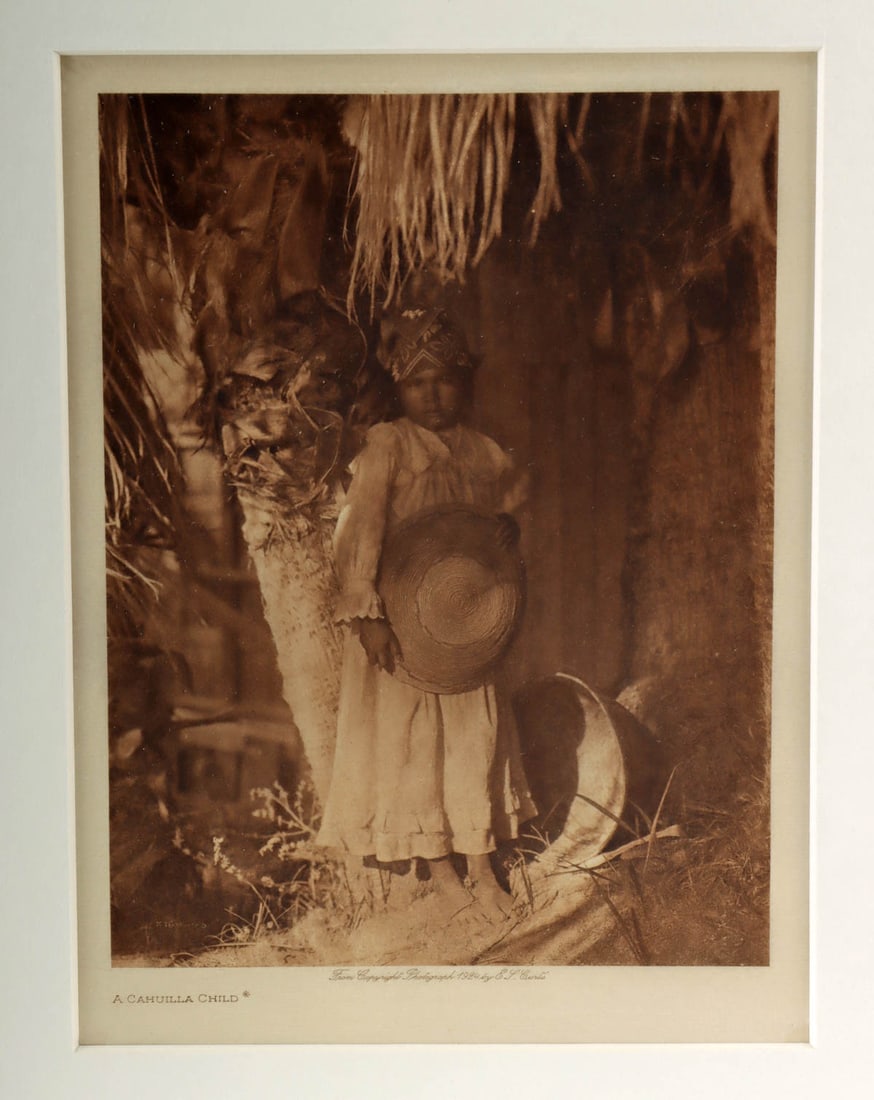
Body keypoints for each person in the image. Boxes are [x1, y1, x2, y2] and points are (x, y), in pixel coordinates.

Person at [316, 307, 536, 922]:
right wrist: (368, 615)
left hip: (462, 625)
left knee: (474, 738)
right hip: (404, 625)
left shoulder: (482, 452)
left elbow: (490, 527)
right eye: (417, 383)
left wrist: (506, 528)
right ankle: (441, 869)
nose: (433, 395)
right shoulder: (388, 446)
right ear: (399, 391)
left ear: (465, 384)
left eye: (445, 380)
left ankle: (481, 861)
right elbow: (358, 533)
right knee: (415, 742)